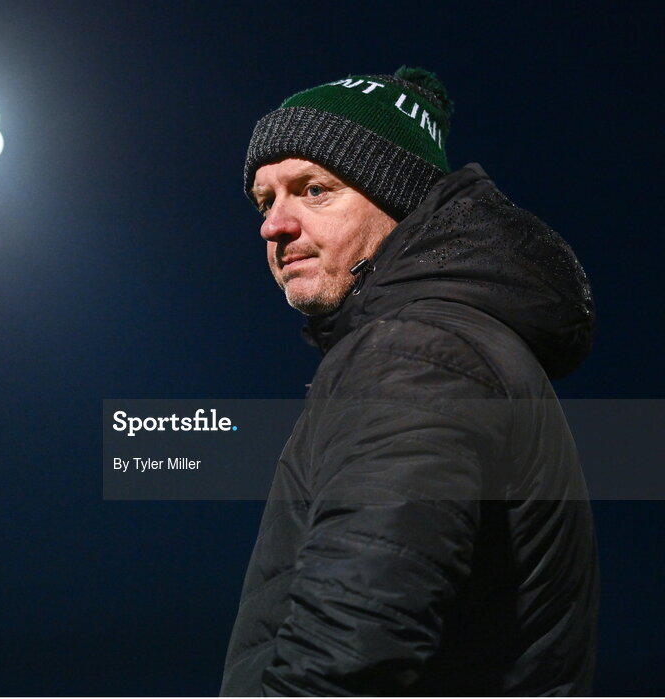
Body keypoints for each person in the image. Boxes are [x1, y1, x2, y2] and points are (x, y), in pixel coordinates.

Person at [220, 67, 599, 696]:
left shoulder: (418, 354)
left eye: (314, 189)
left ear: (397, 198)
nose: (274, 225)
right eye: (266, 200)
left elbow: (349, 650)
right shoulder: (447, 342)